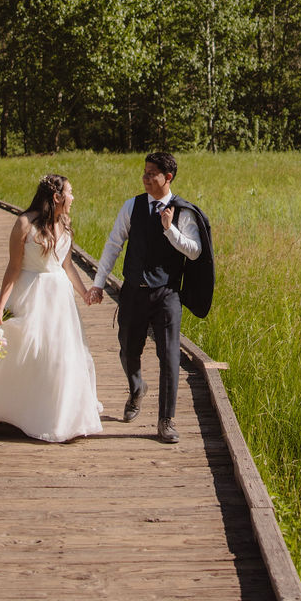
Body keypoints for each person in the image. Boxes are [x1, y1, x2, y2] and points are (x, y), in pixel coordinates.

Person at [0, 174, 103, 443]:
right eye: (70, 192)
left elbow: (66, 264)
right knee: (25, 347)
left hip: (59, 299)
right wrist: (0, 308)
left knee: (59, 354)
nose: (74, 197)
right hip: (30, 291)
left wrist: (84, 292)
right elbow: (13, 268)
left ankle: (56, 415)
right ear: (57, 197)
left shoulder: (65, 222)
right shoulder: (25, 223)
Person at [86, 151, 200, 444]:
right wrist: (98, 283)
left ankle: (167, 421)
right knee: (127, 349)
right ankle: (137, 387)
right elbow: (114, 244)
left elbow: (195, 250)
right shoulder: (132, 206)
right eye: (145, 173)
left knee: (169, 356)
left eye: (152, 174)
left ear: (168, 177)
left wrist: (169, 230)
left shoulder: (183, 211)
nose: (146, 178)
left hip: (167, 294)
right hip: (134, 290)